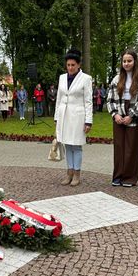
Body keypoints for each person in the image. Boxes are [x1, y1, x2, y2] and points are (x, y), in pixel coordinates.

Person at [107, 49, 138, 187]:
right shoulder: (117, 78)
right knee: (119, 147)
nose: (126, 63)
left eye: (129, 61)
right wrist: (115, 114)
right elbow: (110, 99)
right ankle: (118, 176)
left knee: (132, 147)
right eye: (124, 61)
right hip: (119, 111)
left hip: (134, 113)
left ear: (135, 61)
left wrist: (131, 115)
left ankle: (129, 178)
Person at [54, 49, 93, 187]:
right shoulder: (62, 78)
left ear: (78, 65)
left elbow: (88, 101)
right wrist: (56, 117)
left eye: (73, 65)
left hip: (78, 117)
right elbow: (59, 98)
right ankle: (69, 173)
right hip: (64, 116)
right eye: (68, 65)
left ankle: (77, 174)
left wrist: (88, 121)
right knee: (67, 144)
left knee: (76, 146)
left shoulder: (86, 79)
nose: (70, 68)